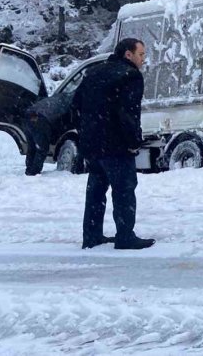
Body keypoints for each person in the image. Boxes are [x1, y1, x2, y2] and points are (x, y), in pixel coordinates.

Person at [73, 38, 155, 250]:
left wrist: (86, 133)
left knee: (96, 191)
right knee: (124, 189)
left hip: (92, 144)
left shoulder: (94, 72)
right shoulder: (130, 76)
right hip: (116, 144)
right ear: (128, 54)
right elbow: (128, 112)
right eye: (141, 55)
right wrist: (133, 141)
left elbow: (75, 104)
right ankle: (125, 235)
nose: (143, 60)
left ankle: (92, 235)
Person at [22, 103, 52, 176]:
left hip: (29, 122)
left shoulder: (36, 102)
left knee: (32, 148)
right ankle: (34, 171)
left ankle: (29, 169)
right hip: (37, 123)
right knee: (41, 149)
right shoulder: (48, 104)